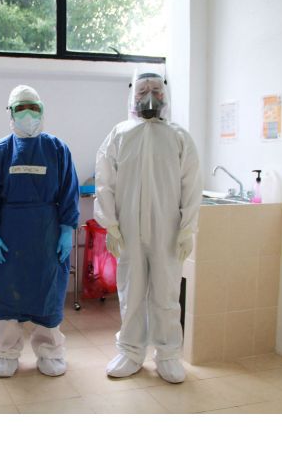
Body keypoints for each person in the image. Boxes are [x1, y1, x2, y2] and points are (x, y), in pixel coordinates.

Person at [94, 71, 202, 383]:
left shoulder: (179, 137)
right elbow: (105, 181)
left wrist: (187, 229)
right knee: (131, 293)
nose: (150, 95)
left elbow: (192, 185)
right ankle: (130, 352)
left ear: (166, 95)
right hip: (128, 230)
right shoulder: (120, 134)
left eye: (156, 89)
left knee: (166, 295)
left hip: (168, 231)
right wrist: (111, 225)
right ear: (133, 96)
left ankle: (168, 355)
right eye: (143, 90)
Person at [0, 85, 79, 378]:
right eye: (20, 108)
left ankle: (50, 351)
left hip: (47, 235)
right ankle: (6, 352)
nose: (27, 114)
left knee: (48, 293)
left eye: (33, 108)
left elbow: (69, 193)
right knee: (8, 296)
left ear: (43, 111)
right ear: (10, 113)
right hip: (9, 235)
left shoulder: (57, 149)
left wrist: (67, 230)